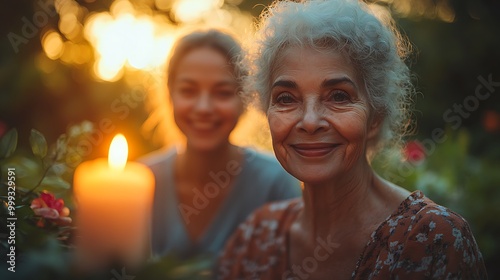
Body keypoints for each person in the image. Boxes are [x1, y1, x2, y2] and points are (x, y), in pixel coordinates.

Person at [218, 0, 488, 279]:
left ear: (375, 116)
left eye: (338, 96)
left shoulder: (433, 241)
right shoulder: (254, 239)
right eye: (286, 98)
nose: (310, 121)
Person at [140, 29, 302, 263]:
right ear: (170, 95)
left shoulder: (275, 183)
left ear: (245, 101)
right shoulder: (138, 181)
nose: (204, 107)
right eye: (189, 91)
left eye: (222, 93)